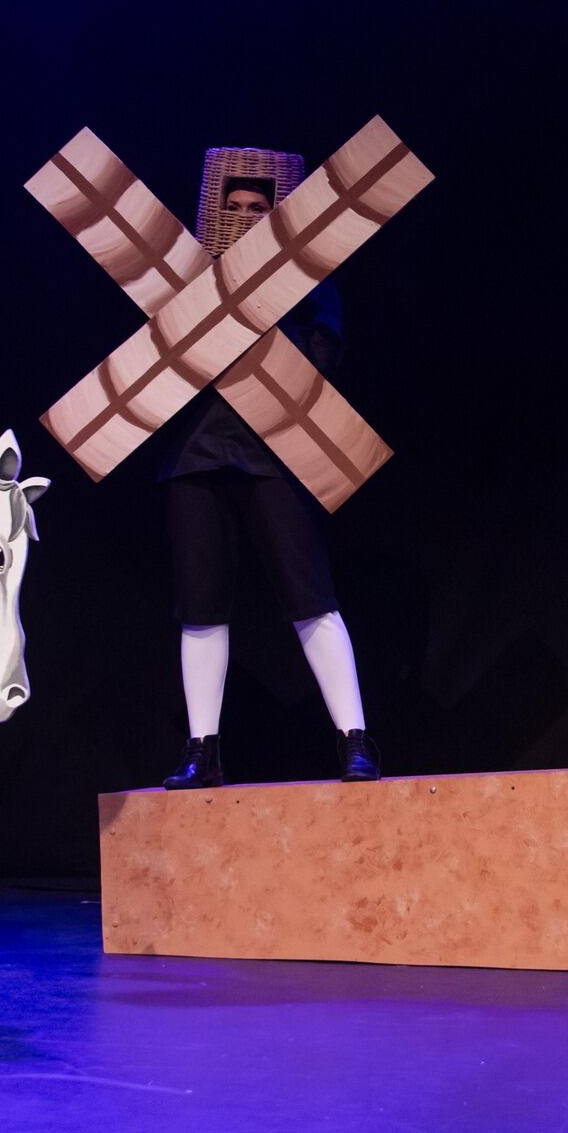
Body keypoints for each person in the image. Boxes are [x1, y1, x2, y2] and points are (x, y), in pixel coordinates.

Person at [157, 147, 381, 789]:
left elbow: (324, 349)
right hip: (198, 451)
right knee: (200, 603)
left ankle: (355, 739)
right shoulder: (185, 280)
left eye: (259, 207)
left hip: (275, 450)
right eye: (235, 206)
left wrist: (261, 333)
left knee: (310, 595)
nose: (246, 217)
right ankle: (202, 750)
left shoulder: (307, 277)